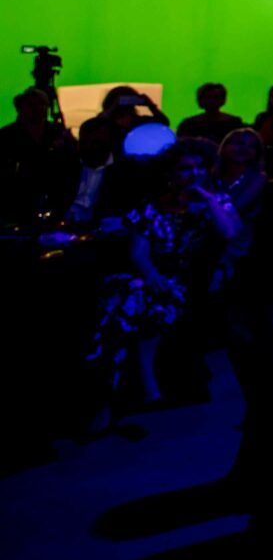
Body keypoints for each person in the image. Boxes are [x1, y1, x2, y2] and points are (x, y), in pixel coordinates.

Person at [89, 138, 243, 406]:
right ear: (171, 172)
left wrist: (207, 198)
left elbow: (229, 231)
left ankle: (130, 380)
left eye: (199, 167)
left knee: (141, 301)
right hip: (154, 276)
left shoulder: (219, 201)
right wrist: (152, 275)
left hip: (194, 279)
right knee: (128, 295)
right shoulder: (154, 205)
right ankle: (113, 379)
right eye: (185, 168)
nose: (193, 173)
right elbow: (138, 252)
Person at [0, 88, 78, 222]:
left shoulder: (58, 131)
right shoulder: (7, 134)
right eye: (31, 104)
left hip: (55, 194)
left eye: (42, 103)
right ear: (21, 108)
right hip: (18, 196)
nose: (37, 108)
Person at [177, 83, 243, 144]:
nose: (212, 100)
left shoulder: (234, 123)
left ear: (223, 99)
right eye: (208, 97)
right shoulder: (188, 125)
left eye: (216, 97)